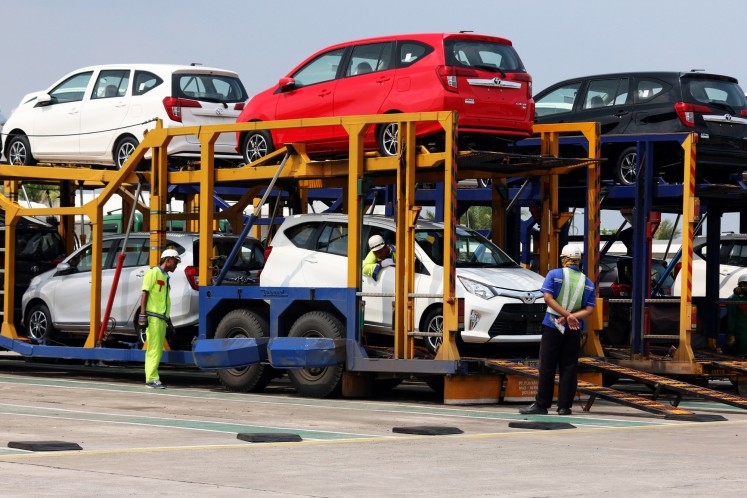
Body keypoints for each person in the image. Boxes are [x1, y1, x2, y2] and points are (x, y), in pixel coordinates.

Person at [520, 245, 596, 416]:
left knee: (547, 365)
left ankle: (542, 404)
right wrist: (572, 317)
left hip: (553, 324)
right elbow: (589, 309)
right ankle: (564, 407)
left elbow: (548, 298)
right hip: (573, 328)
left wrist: (566, 315)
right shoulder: (588, 282)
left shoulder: (554, 275)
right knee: (569, 366)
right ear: (578, 261)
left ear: (564, 258)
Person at [139, 248, 180, 389]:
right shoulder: (153, 273)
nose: (176, 265)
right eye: (175, 262)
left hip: (161, 319)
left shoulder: (165, 277)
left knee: (157, 349)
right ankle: (151, 379)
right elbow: (144, 293)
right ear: (167, 260)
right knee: (154, 349)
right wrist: (142, 315)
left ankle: (152, 377)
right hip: (153, 318)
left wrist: (169, 323)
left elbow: (164, 301)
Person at [725, 274, 747, 355]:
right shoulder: (734, 298)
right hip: (741, 334)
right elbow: (731, 318)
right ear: (740, 284)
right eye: (745, 284)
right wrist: (731, 334)